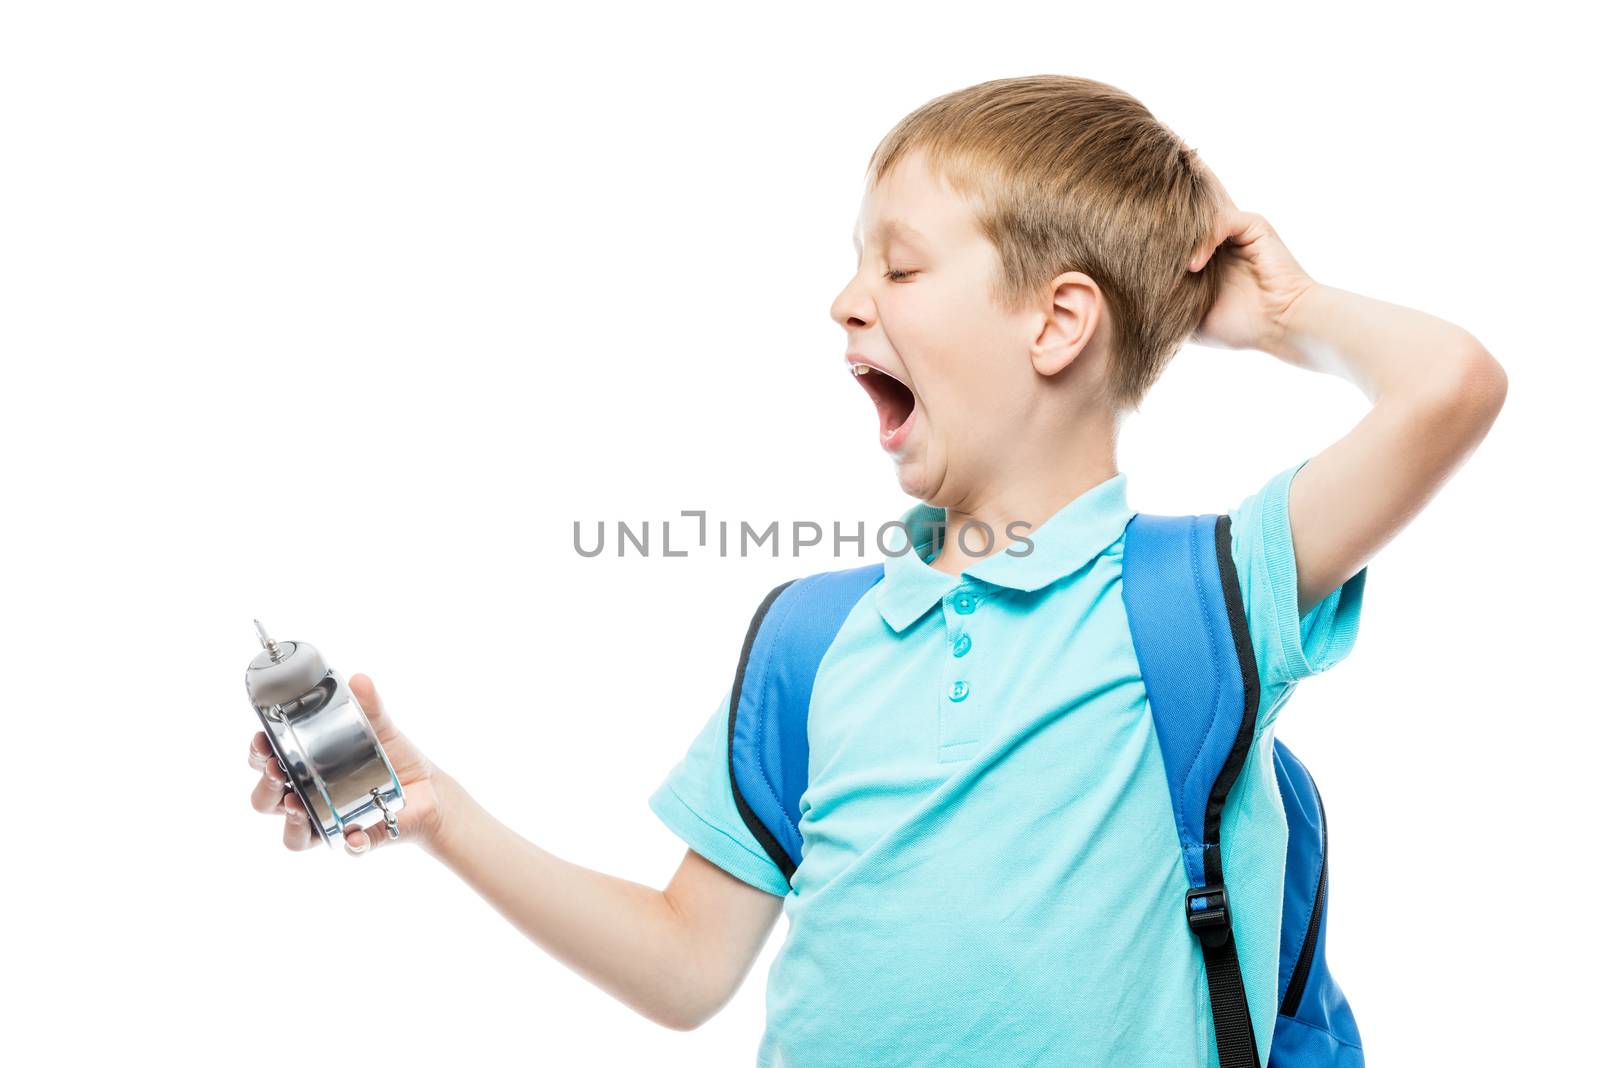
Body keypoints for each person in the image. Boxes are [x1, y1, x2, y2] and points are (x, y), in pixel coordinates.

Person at [246, 74, 1507, 1065]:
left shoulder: (1204, 593)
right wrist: (443, 813)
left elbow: (1448, 387)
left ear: (1058, 322)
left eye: (899, 267)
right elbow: (688, 968)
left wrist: (1276, 314)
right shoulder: (810, 639)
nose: (847, 302)